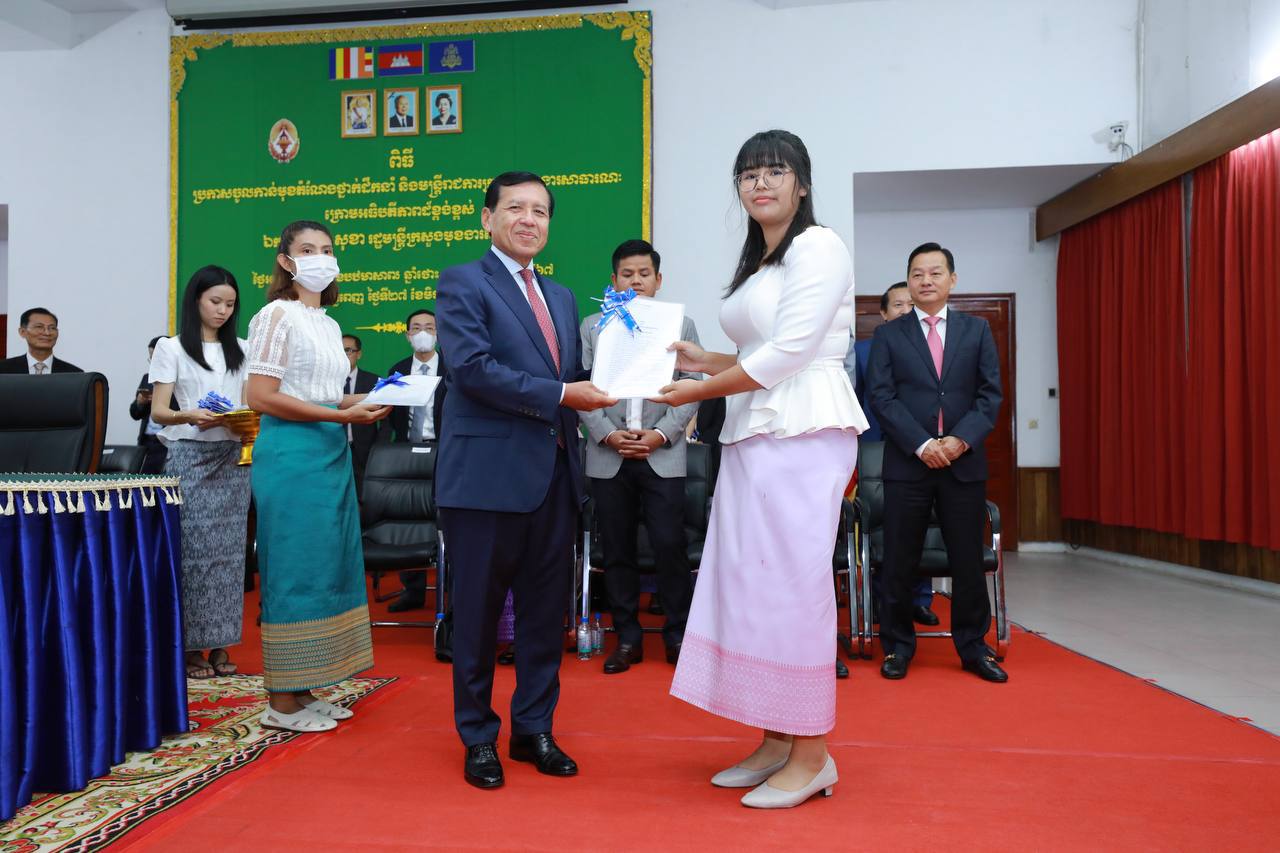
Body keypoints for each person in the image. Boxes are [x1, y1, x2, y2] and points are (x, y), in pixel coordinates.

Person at [654, 130, 868, 809]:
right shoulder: (763, 259)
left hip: (803, 427)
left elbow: (795, 351)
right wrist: (705, 361)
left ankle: (813, 755)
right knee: (755, 584)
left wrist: (697, 391)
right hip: (756, 428)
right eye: (748, 174)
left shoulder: (818, 245)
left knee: (794, 587)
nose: (760, 183)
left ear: (802, 183)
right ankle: (777, 738)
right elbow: (763, 350)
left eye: (775, 171)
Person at [435, 171, 614, 789]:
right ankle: (478, 736)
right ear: (487, 218)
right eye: (516, 208)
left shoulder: (560, 296)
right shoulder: (463, 281)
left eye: (540, 211)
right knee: (478, 616)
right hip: (486, 479)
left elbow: (570, 376)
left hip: (554, 477)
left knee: (543, 615)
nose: (529, 220)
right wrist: (565, 393)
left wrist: (631, 370)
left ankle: (534, 728)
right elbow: (471, 369)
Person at [244, 219, 390, 733]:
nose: (320, 258)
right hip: (291, 454)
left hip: (330, 451)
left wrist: (372, 399)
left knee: (329, 566)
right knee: (296, 568)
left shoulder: (327, 323)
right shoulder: (275, 315)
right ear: (286, 261)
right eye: (307, 250)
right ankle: (280, 704)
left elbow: (324, 394)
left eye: (327, 249)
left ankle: (304, 687)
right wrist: (338, 413)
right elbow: (260, 397)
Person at [867, 242, 1006, 683]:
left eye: (935, 273)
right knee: (899, 559)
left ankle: (973, 647)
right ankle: (897, 646)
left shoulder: (976, 330)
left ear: (952, 280)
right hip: (908, 464)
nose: (925, 281)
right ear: (908, 281)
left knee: (967, 560)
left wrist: (960, 441)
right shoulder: (889, 335)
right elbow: (882, 397)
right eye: (917, 274)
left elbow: (990, 395)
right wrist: (923, 443)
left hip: (963, 465)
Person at [579, 238, 700, 674]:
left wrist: (661, 434)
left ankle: (677, 635)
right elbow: (580, 388)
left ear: (658, 279)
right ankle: (627, 638)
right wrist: (608, 435)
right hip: (607, 455)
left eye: (643, 274)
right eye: (627, 274)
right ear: (613, 280)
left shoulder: (680, 325)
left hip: (662, 454)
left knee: (670, 547)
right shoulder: (593, 326)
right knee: (617, 550)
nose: (635, 281)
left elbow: (693, 387)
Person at [149, 267, 252, 680]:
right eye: (215, 302)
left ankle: (222, 644)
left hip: (232, 457)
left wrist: (240, 420)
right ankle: (191, 647)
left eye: (230, 304)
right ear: (196, 301)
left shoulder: (242, 349)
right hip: (189, 456)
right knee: (192, 554)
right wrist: (188, 415)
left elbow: (249, 405)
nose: (223, 310)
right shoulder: (171, 348)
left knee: (229, 556)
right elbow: (159, 412)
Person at [848, 282, 939, 626]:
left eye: (910, 304)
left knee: (920, 519)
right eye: (898, 305)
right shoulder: (862, 351)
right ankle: (877, 597)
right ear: (884, 314)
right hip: (875, 447)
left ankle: (920, 599)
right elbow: (856, 400)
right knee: (876, 521)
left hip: (918, 446)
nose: (905, 310)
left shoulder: (931, 347)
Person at [385, 308, 447, 613]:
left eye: (430, 327)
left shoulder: (452, 368)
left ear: (439, 333)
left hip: (444, 450)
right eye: (417, 327)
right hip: (406, 450)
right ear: (408, 335)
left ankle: (450, 587)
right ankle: (413, 588)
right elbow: (390, 413)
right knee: (408, 517)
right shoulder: (397, 369)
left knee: (444, 517)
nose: (423, 333)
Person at [341, 333, 381, 498]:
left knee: (367, 497)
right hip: (336, 447)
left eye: (348, 350)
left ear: (359, 354)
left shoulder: (374, 381)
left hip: (366, 450)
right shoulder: (327, 384)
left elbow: (386, 421)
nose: (343, 355)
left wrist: (379, 448)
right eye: (339, 350)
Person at [130, 335, 172, 474]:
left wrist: (160, 400)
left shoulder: (179, 380)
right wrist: (140, 403)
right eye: (150, 359)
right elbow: (134, 413)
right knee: (142, 481)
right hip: (146, 441)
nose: (153, 363)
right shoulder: (147, 378)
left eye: (156, 359)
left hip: (167, 441)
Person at [0, 308, 83, 373]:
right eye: (39, 327)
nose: (47, 333)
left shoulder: (74, 373)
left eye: (52, 328)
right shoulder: (3, 370)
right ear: (22, 332)